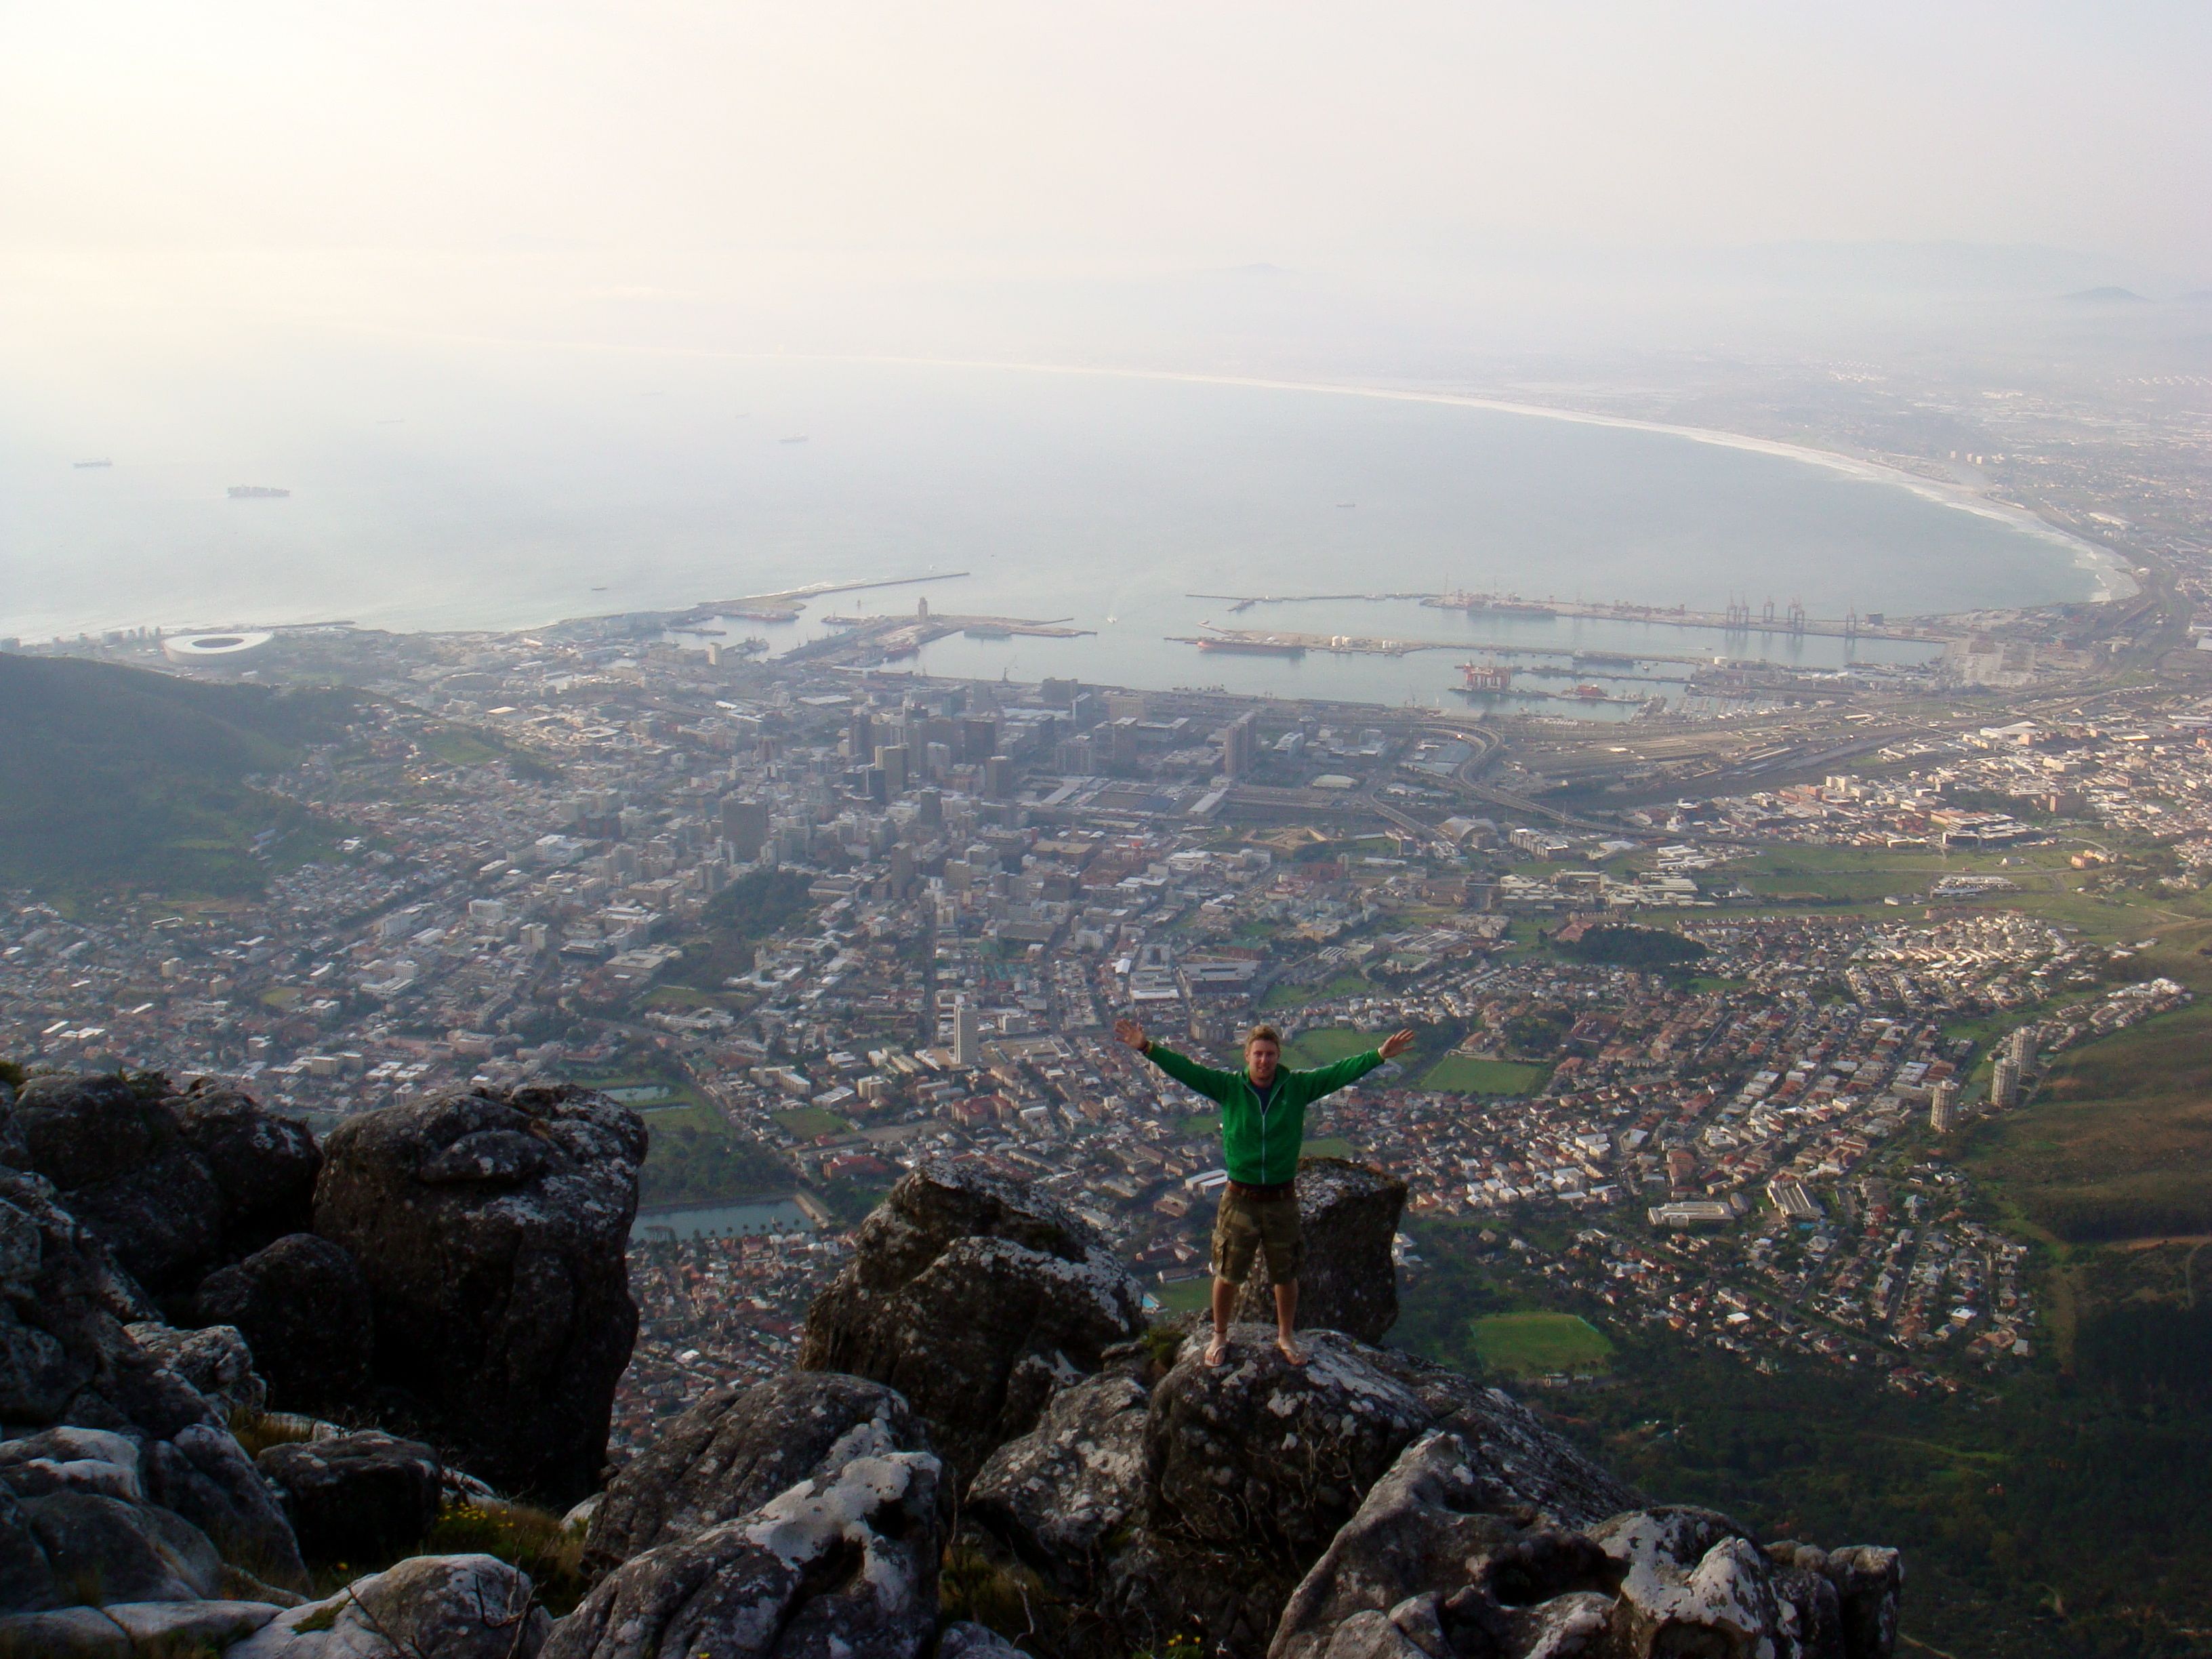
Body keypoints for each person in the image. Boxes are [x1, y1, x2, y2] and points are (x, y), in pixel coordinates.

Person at [1115, 1017, 1415, 1366]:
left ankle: (1286, 1336)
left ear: (1278, 1056)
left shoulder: (1296, 1088)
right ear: (1247, 1056)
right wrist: (1146, 1047)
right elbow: (1187, 1071)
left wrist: (1379, 1055)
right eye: (1258, 1054)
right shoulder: (1229, 1088)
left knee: (1285, 1274)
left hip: (1281, 1198)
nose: (1264, 1060)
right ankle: (1219, 1336)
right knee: (1227, 1272)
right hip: (1239, 1197)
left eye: (1270, 1054)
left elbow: (1337, 1074)